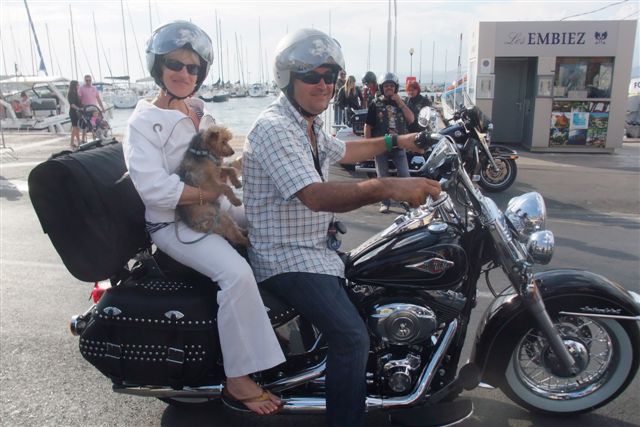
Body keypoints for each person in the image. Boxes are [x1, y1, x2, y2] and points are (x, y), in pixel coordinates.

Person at [243, 28, 441, 427]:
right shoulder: (275, 128)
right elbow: (315, 195)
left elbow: (346, 150)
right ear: (288, 79)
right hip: (285, 257)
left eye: (330, 76)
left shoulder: (309, 125)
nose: (323, 84)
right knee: (351, 337)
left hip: (315, 248)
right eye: (311, 76)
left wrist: (398, 141)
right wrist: (387, 186)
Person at [122, 20, 285, 416]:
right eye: (175, 64)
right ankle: (238, 377)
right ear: (158, 65)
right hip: (173, 223)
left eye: (192, 67)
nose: (183, 73)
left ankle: (281, 318)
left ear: (201, 73)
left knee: (275, 220)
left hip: (213, 208)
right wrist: (207, 193)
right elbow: (153, 188)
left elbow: (213, 163)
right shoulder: (142, 123)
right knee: (236, 274)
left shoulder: (199, 110)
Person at [364, 72, 415, 213]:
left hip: (399, 145)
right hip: (380, 145)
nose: (389, 88)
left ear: (396, 87)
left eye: (392, 85)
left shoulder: (402, 102)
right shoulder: (375, 104)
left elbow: (411, 119)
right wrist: (368, 146)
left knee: (405, 175)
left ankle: (408, 201)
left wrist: (400, 102)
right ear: (382, 87)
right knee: (382, 176)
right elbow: (368, 126)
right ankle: (385, 202)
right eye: (386, 85)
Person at [67, 80, 82, 148]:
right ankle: (78, 141)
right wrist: (78, 109)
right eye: (77, 85)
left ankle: (72, 142)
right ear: (74, 85)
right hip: (73, 112)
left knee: (75, 128)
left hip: (76, 112)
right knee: (75, 128)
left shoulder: (75, 93)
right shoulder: (71, 93)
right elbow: (72, 104)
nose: (78, 86)